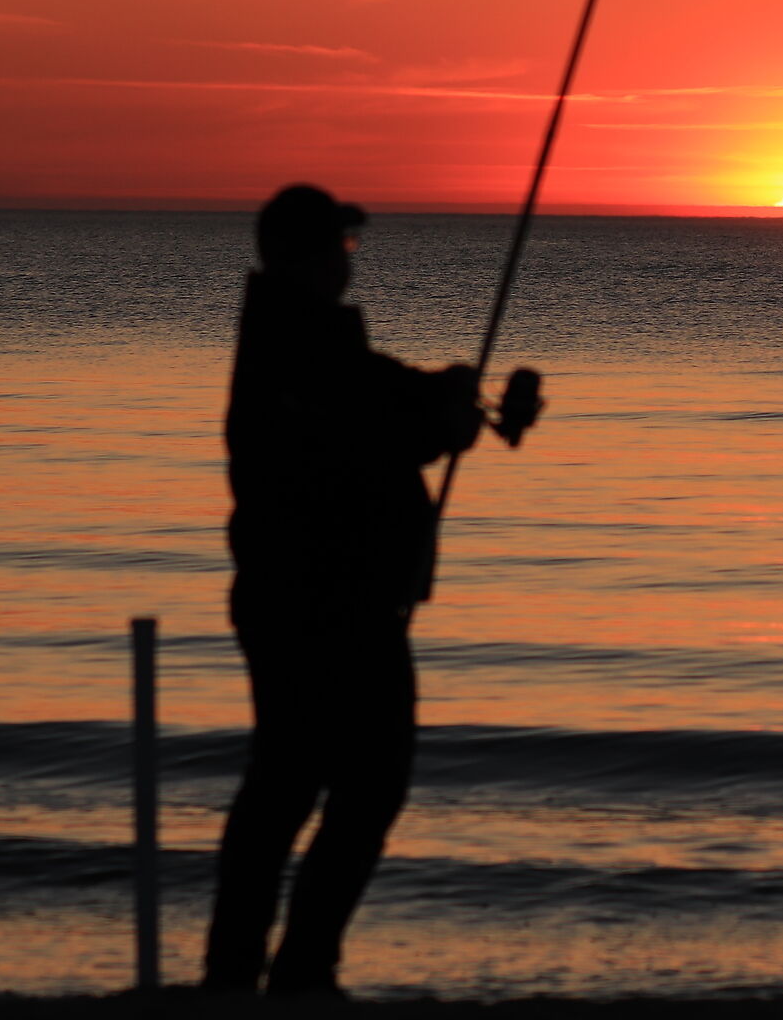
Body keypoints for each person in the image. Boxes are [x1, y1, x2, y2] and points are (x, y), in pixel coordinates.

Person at [202, 184, 489, 996]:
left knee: (298, 785)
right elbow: (372, 425)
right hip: (325, 604)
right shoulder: (298, 343)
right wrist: (445, 418)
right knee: (346, 785)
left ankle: (264, 971)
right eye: (340, 247)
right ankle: (286, 973)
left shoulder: (297, 336)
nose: (346, 262)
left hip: (320, 599)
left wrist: (447, 395)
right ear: (304, 253)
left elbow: (379, 391)